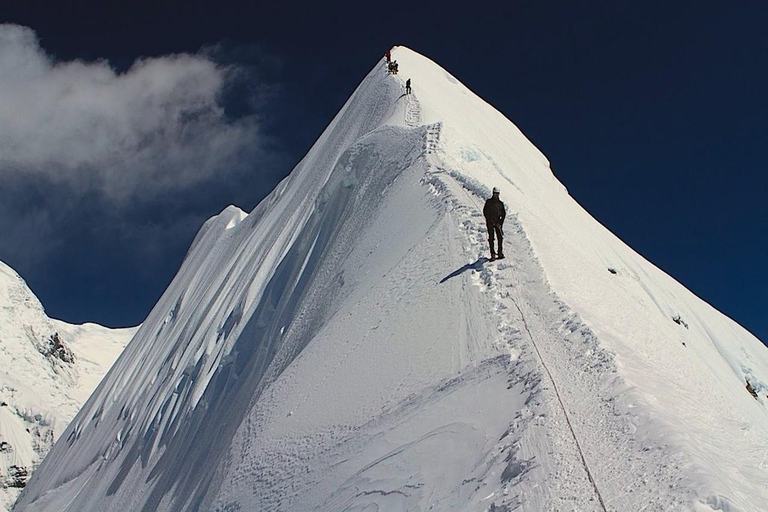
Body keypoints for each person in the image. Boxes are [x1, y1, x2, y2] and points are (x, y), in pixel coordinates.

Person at [483, 187, 506, 260]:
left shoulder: (500, 204)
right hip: (490, 223)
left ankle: (500, 253)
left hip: (498, 223)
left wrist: (500, 223)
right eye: (495, 193)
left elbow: (503, 214)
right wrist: (490, 221)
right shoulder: (489, 202)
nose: (496, 195)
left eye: (497, 194)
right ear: (493, 193)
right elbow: (485, 212)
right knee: (491, 238)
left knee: (500, 237)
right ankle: (492, 253)